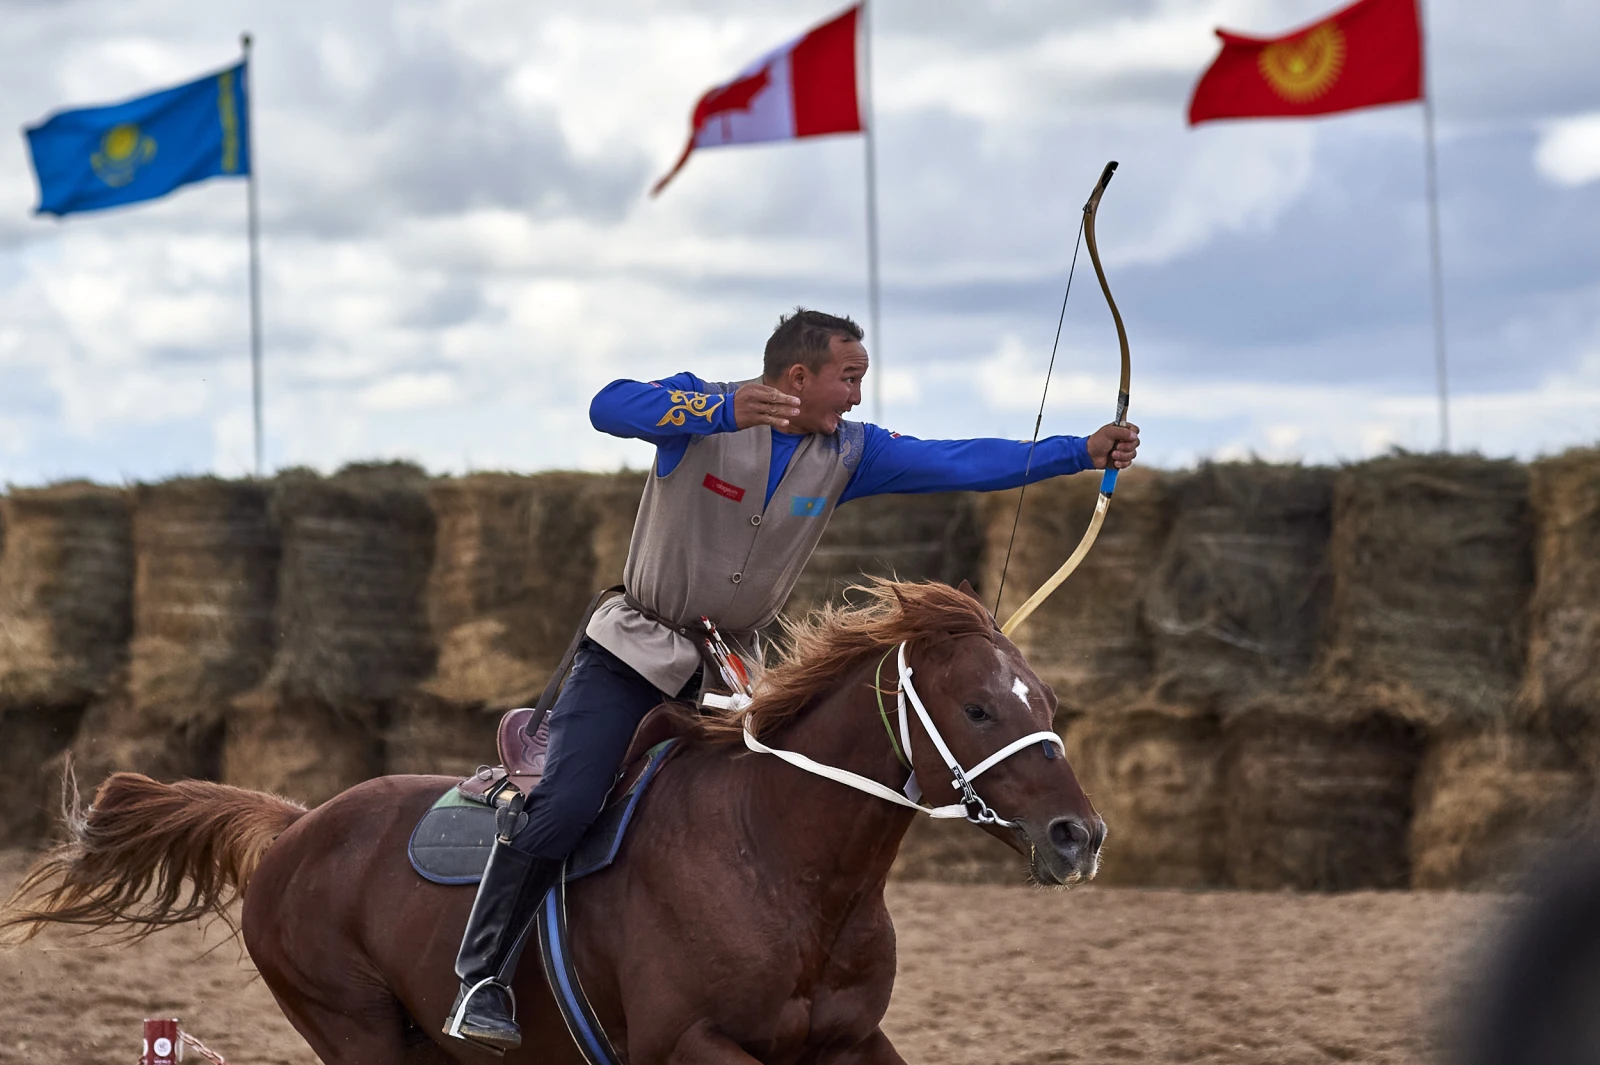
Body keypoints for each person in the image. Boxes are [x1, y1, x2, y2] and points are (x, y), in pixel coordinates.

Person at [443, 308, 1141, 1049]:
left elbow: (958, 459)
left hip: (726, 672)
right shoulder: (703, 414)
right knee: (570, 801)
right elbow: (607, 405)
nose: (856, 397)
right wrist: (722, 404)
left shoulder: (849, 453)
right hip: (630, 658)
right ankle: (480, 978)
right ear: (797, 376)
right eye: (848, 379)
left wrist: (1079, 450)